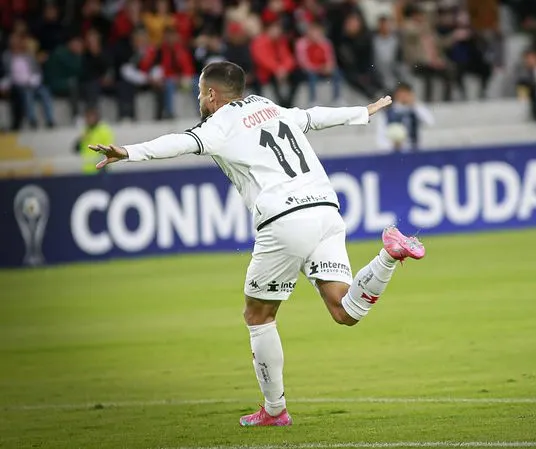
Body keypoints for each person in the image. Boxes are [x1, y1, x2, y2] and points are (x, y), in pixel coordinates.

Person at [88, 61, 426, 427]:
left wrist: (129, 152)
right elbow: (312, 117)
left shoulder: (218, 124)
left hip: (283, 219)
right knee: (345, 311)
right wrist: (363, 111)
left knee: (258, 316)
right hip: (327, 209)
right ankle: (388, 255)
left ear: (212, 95)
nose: (200, 98)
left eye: (201, 92)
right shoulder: (269, 106)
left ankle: (275, 411)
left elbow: (180, 143)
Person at [376, 83, 434, 152]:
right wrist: (391, 146)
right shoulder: (386, 113)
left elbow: (430, 122)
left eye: (406, 94)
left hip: (415, 150)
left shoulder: (416, 109)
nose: (404, 96)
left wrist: (415, 105)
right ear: (396, 94)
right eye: (401, 93)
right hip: (394, 152)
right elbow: (380, 136)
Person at [75, 107, 114, 174]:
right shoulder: (86, 130)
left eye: (91, 117)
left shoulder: (104, 130)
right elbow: (76, 149)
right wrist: (80, 140)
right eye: (87, 117)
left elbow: (108, 150)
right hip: (87, 170)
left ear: (96, 117)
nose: (88, 119)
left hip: (100, 169)